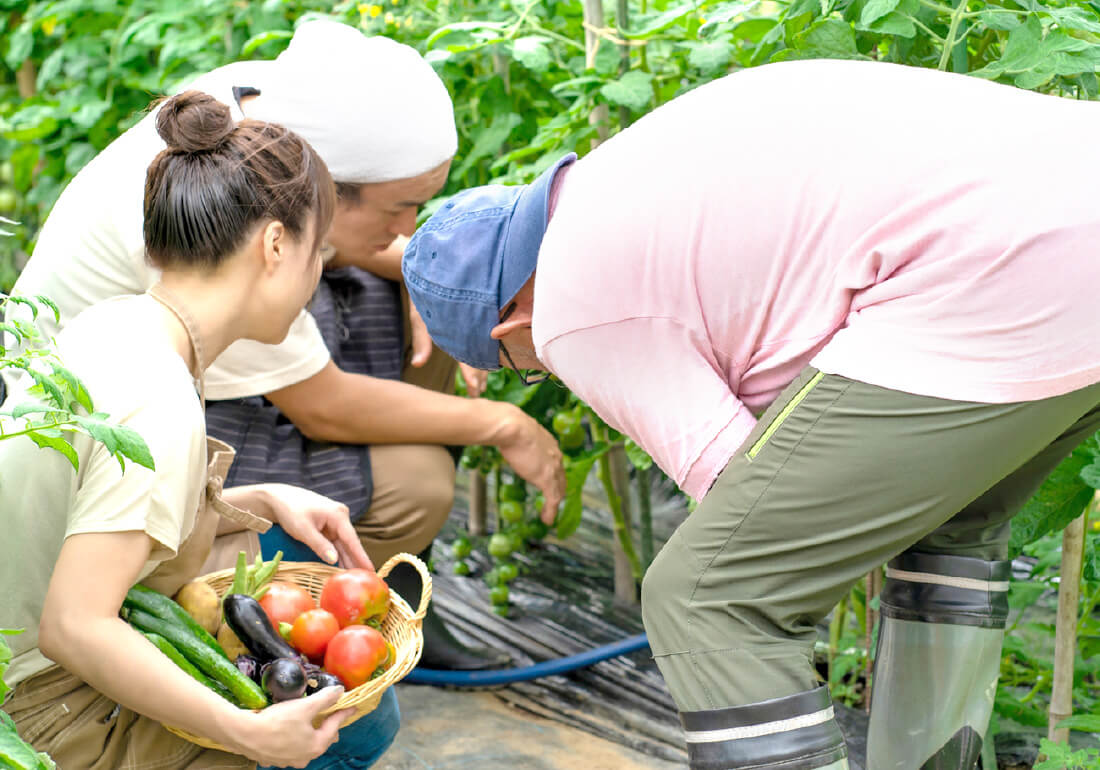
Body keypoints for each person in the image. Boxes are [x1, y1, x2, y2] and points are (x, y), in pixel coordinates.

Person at [400, 59, 1100, 770]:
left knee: (708, 602)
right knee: (951, 523)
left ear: (509, 327)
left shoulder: (567, 305)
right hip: (1070, 220)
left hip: (992, 273)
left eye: (525, 366)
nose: (546, 365)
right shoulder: (630, 172)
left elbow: (747, 493)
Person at [6, 18, 565, 672]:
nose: (407, 228)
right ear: (301, 216)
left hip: (153, 394)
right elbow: (322, 405)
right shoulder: (192, 307)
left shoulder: (262, 118)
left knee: (421, 323)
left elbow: (377, 248)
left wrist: (426, 278)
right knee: (418, 485)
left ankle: (359, 604)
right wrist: (506, 423)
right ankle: (271, 619)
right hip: (102, 452)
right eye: (400, 208)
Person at [0, 91, 399, 769]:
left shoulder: (117, 322)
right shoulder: (158, 398)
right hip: (39, 707)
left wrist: (262, 497)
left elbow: (89, 495)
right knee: (351, 727)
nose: (316, 280)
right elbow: (73, 627)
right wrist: (247, 735)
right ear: (275, 244)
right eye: (317, 252)